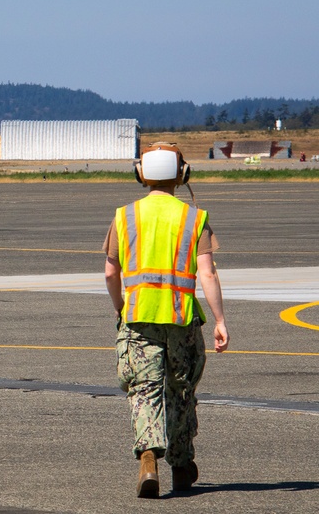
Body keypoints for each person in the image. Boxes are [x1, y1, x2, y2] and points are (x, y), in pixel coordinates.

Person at [103, 142, 229, 498]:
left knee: (144, 390)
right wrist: (220, 320)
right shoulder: (194, 218)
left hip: (138, 317)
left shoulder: (124, 216)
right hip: (182, 320)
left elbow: (111, 273)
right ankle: (181, 462)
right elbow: (207, 273)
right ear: (182, 175)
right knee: (180, 391)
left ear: (141, 174)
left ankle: (147, 458)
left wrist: (119, 307)